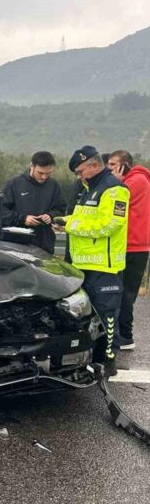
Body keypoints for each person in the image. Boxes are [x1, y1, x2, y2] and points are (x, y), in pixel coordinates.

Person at [56, 146, 129, 377]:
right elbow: (82, 217)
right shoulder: (88, 188)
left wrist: (72, 226)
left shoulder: (115, 190)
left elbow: (110, 225)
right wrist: (63, 220)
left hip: (104, 266)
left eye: (80, 171)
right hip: (82, 264)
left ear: (94, 165)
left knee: (107, 316)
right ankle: (85, 357)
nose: (79, 176)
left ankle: (108, 361)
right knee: (83, 315)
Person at [107, 150, 150, 350]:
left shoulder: (136, 182)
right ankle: (124, 334)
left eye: (112, 164)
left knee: (125, 293)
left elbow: (116, 200)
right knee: (125, 292)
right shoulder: (139, 180)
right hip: (136, 244)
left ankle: (125, 335)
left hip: (133, 245)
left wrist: (115, 182)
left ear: (124, 166)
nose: (109, 168)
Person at [1, 151, 67, 253]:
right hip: (18, 244)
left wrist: (50, 216)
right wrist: (23, 219)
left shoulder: (54, 186)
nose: (44, 177)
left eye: (48, 173)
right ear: (32, 166)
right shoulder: (14, 184)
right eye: (40, 173)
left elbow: (61, 209)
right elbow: (1, 212)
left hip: (45, 245)